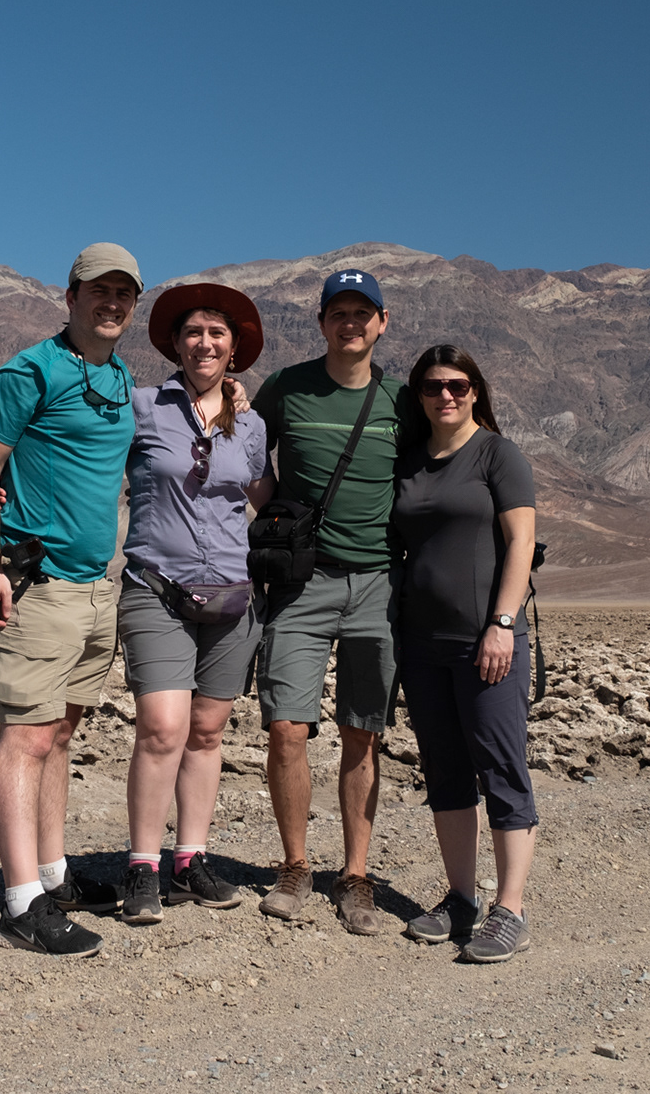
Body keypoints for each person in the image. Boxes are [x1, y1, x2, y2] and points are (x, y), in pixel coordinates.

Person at [0, 242, 143, 957]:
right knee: (27, 736)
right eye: (98, 290)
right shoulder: (29, 372)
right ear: (69, 296)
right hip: (39, 587)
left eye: (123, 294)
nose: (111, 303)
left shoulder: (121, 377)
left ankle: (52, 875)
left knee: (62, 734)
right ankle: (21, 906)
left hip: (96, 588)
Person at [250, 269, 411, 935]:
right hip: (303, 583)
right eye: (338, 312)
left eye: (362, 313)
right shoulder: (287, 388)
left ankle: (355, 875)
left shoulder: (401, 399)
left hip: (379, 583)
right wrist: (273, 515)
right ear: (321, 322)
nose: (350, 323)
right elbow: (245, 451)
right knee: (287, 728)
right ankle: (295, 865)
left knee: (361, 733)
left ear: (382, 323)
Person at [117, 284, 274, 924]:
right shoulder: (142, 407)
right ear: (175, 345)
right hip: (157, 587)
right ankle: (141, 867)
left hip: (233, 596)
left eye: (216, 333)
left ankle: (190, 860)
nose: (204, 343)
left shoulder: (251, 423)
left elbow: (262, 495)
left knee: (207, 733)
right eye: (193, 333)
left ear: (234, 348)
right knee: (162, 729)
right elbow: (87, 456)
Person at [390, 344, 538, 964]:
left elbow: (521, 541)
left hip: (487, 643)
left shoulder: (497, 454)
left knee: (501, 768)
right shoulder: (408, 461)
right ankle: (460, 899)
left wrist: (502, 624)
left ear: (475, 390)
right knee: (445, 772)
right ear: (418, 395)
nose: (445, 395)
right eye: (432, 386)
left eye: (457, 385)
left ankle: (510, 909)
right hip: (422, 645)